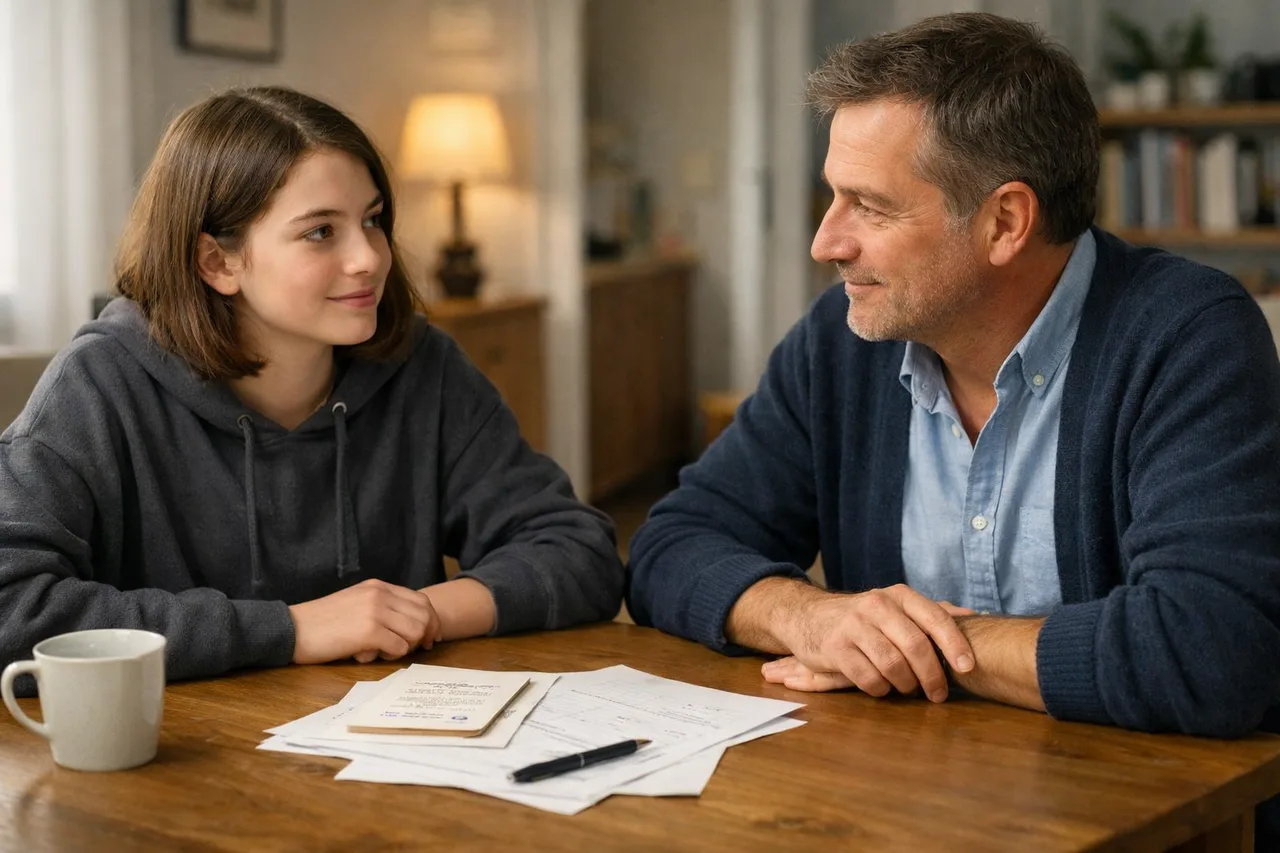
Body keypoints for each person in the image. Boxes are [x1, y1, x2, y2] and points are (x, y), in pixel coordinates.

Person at [626, 12, 1280, 846]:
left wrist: (924, 642)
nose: (827, 239)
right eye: (834, 195)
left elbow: (1208, 649)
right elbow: (670, 546)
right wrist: (813, 618)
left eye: (868, 205)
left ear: (1005, 221)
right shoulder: (843, 340)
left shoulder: (1187, 335)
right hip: (901, 811)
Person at [0, 86, 623, 693]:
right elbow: (10, 606)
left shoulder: (424, 365)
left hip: (384, 760)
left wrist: (417, 614)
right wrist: (291, 629)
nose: (369, 258)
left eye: (372, 220)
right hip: (170, 767)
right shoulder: (102, 383)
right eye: (321, 231)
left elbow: (579, 551)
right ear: (218, 263)